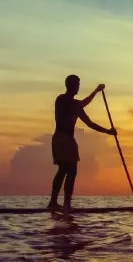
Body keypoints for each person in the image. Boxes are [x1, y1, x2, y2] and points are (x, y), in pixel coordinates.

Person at [48, 75, 116, 210]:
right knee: (63, 170)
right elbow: (82, 103)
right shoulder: (61, 100)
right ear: (69, 85)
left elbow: (90, 124)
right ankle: (53, 202)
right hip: (61, 139)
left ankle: (67, 203)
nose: (78, 87)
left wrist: (108, 131)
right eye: (76, 84)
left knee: (72, 171)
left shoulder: (77, 106)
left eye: (79, 84)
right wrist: (96, 91)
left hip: (70, 141)